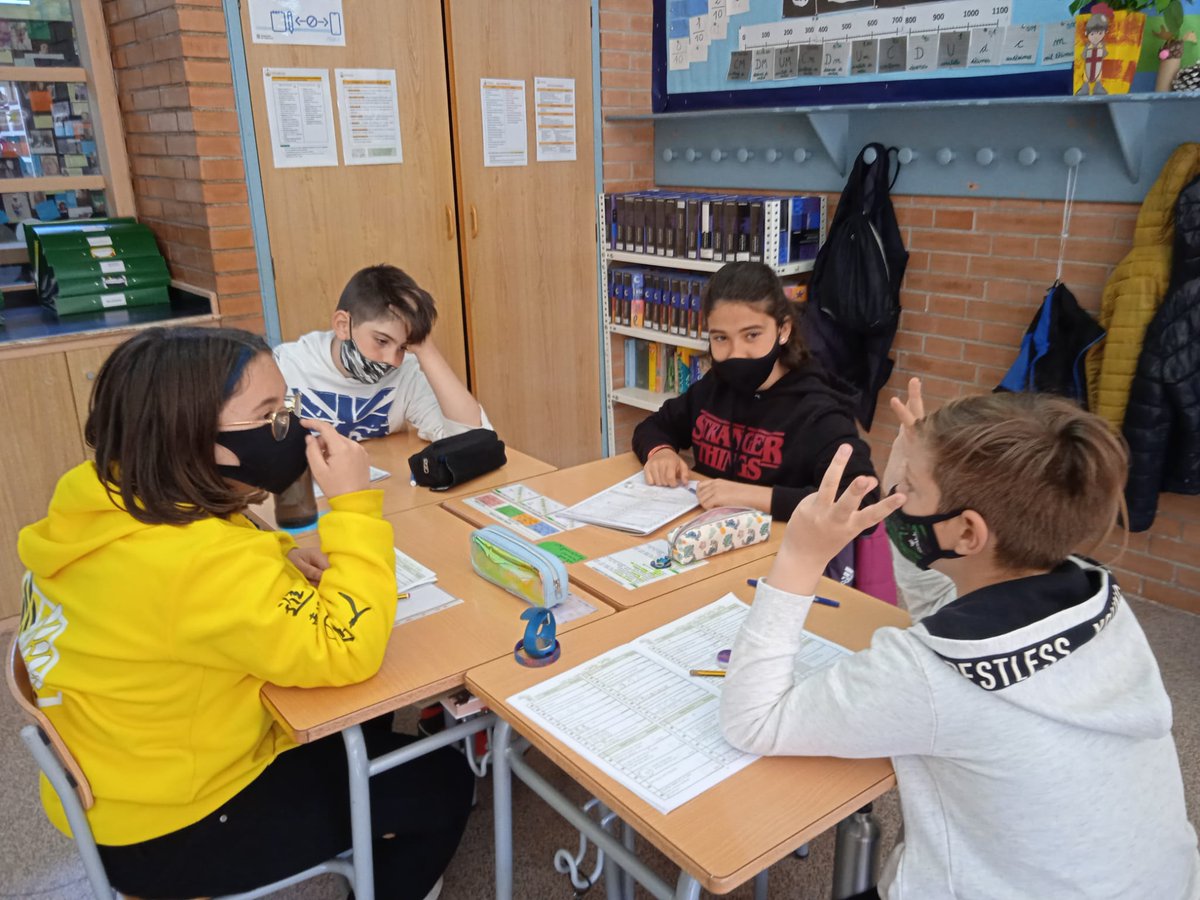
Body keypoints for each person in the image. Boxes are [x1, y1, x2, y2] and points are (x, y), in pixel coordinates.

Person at [16, 327, 472, 900]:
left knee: (365, 720)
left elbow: (196, 578)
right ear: (189, 437)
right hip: (175, 827)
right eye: (269, 414)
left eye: (288, 405)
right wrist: (354, 505)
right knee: (445, 783)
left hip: (120, 781)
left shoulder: (102, 498)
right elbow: (348, 649)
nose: (291, 426)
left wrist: (277, 556)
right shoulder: (196, 564)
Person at [719, 381, 1200, 900]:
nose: (898, 497)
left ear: (968, 533)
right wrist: (909, 479)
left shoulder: (929, 673)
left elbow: (753, 721)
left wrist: (799, 561)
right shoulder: (1096, 595)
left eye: (912, 491)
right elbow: (943, 604)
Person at [632, 261, 877, 520]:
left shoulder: (817, 412)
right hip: (703, 536)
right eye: (720, 338)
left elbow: (863, 503)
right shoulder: (714, 387)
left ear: (783, 330)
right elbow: (654, 426)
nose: (735, 353)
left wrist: (749, 496)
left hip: (778, 551)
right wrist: (661, 453)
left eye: (751, 335)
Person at [274, 264, 489, 442]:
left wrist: (425, 348)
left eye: (403, 347)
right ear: (342, 325)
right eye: (382, 341)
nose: (393, 361)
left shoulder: (405, 374)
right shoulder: (286, 367)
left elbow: (473, 439)